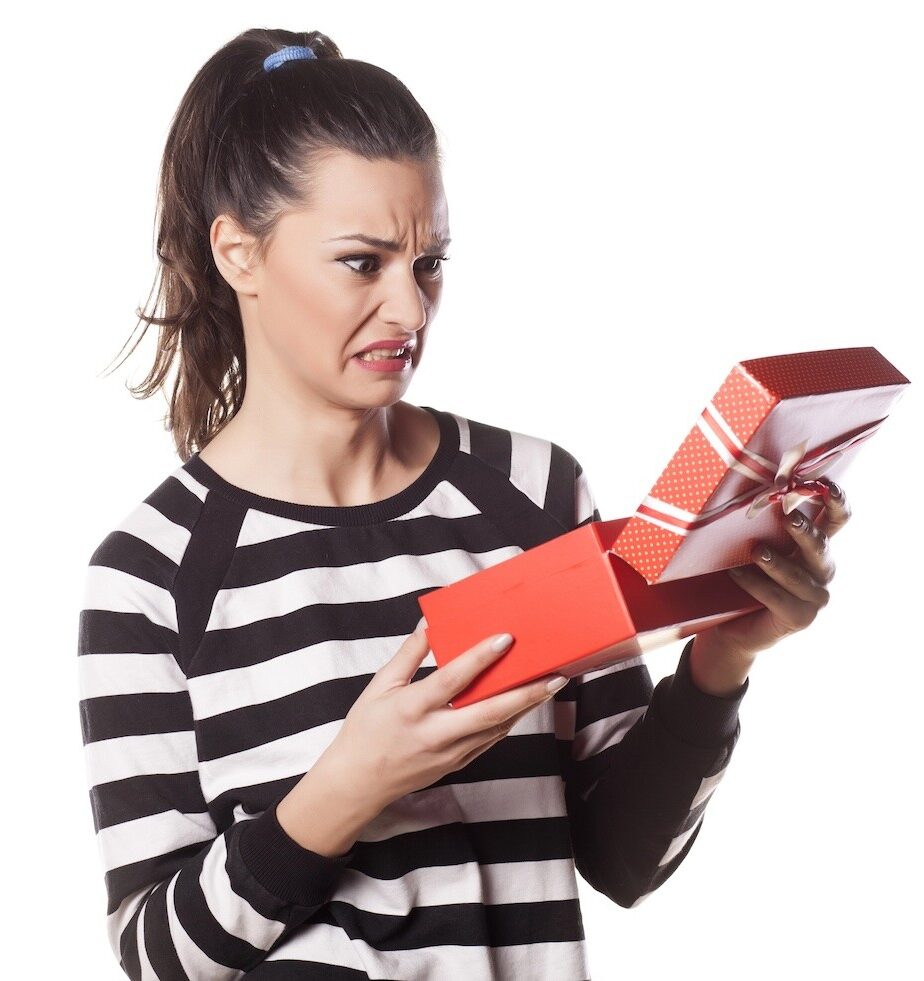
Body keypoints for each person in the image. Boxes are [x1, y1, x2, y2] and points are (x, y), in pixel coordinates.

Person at [76, 28, 851, 981]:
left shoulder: (533, 492)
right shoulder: (152, 572)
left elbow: (622, 860)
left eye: (429, 263)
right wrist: (347, 786)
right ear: (240, 252)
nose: (409, 310)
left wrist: (722, 658)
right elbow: (158, 955)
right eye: (362, 262)